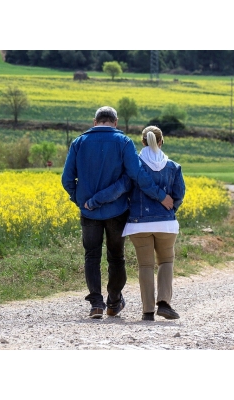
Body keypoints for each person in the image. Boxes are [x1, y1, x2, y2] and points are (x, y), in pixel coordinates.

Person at [61, 107, 173, 319]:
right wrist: (160, 195)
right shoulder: (124, 142)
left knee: (91, 256)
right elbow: (136, 175)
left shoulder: (78, 143)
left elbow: (67, 179)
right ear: (116, 121)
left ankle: (96, 304)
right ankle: (113, 302)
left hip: (89, 213)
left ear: (95, 121)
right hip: (117, 211)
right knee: (116, 257)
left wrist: (82, 201)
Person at [123, 126, 185, 321]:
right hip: (165, 225)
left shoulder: (135, 167)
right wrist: (169, 210)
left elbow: (125, 189)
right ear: (161, 142)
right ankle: (164, 303)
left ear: (142, 142)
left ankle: (148, 311)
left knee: (145, 266)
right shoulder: (173, 167)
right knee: (166, 261)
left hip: (138, 224)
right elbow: (179, 194)